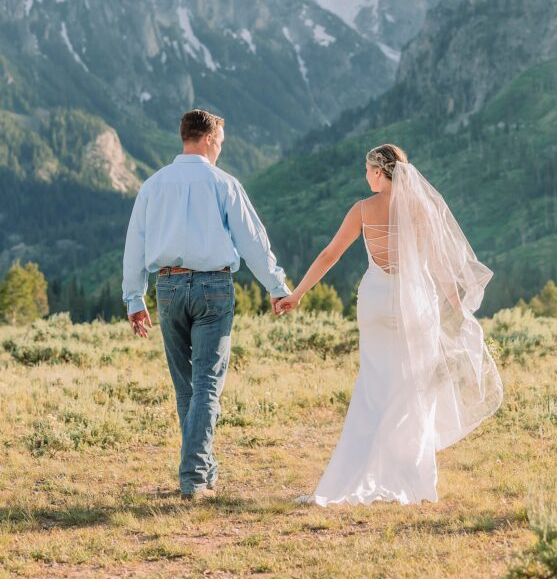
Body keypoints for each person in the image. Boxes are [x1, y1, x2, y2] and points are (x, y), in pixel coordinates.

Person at [275, 143, 503, 505]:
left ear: (379, 173)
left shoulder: (363, 210)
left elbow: (329, 254)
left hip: (377, 301)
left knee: (374, 386)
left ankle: (356, 473)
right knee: (414, 388)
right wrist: (459, 307)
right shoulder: (422, 210)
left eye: (368, 170)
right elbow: (441, 266)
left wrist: (298, 293)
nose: (366, 176)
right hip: (415, 303)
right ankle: (410, 478)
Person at [122, 108, 289, 500]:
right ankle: (195, 478)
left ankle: (204, 469)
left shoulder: (153, 185)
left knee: (188, 388)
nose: (220, 151)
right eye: (221, 144)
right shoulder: (223, 183)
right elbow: (252, 241)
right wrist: (276, 286)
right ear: (210, 139)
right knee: (207, 384)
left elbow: (136, 243)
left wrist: (134, 298)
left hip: (168, 287)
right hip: (214, 286)